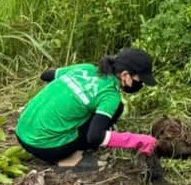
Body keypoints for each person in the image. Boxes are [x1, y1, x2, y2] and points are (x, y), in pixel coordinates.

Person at [15, 48, 159, 171]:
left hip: (21, 130)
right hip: (46, 147)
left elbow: (46, 75)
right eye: (139, 80)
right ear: (125, 75)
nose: (140, 84)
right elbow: (94, 137)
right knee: (117, 109)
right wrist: (137, 140)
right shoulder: (110, 96)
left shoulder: (85, 68)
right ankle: (70, 159)